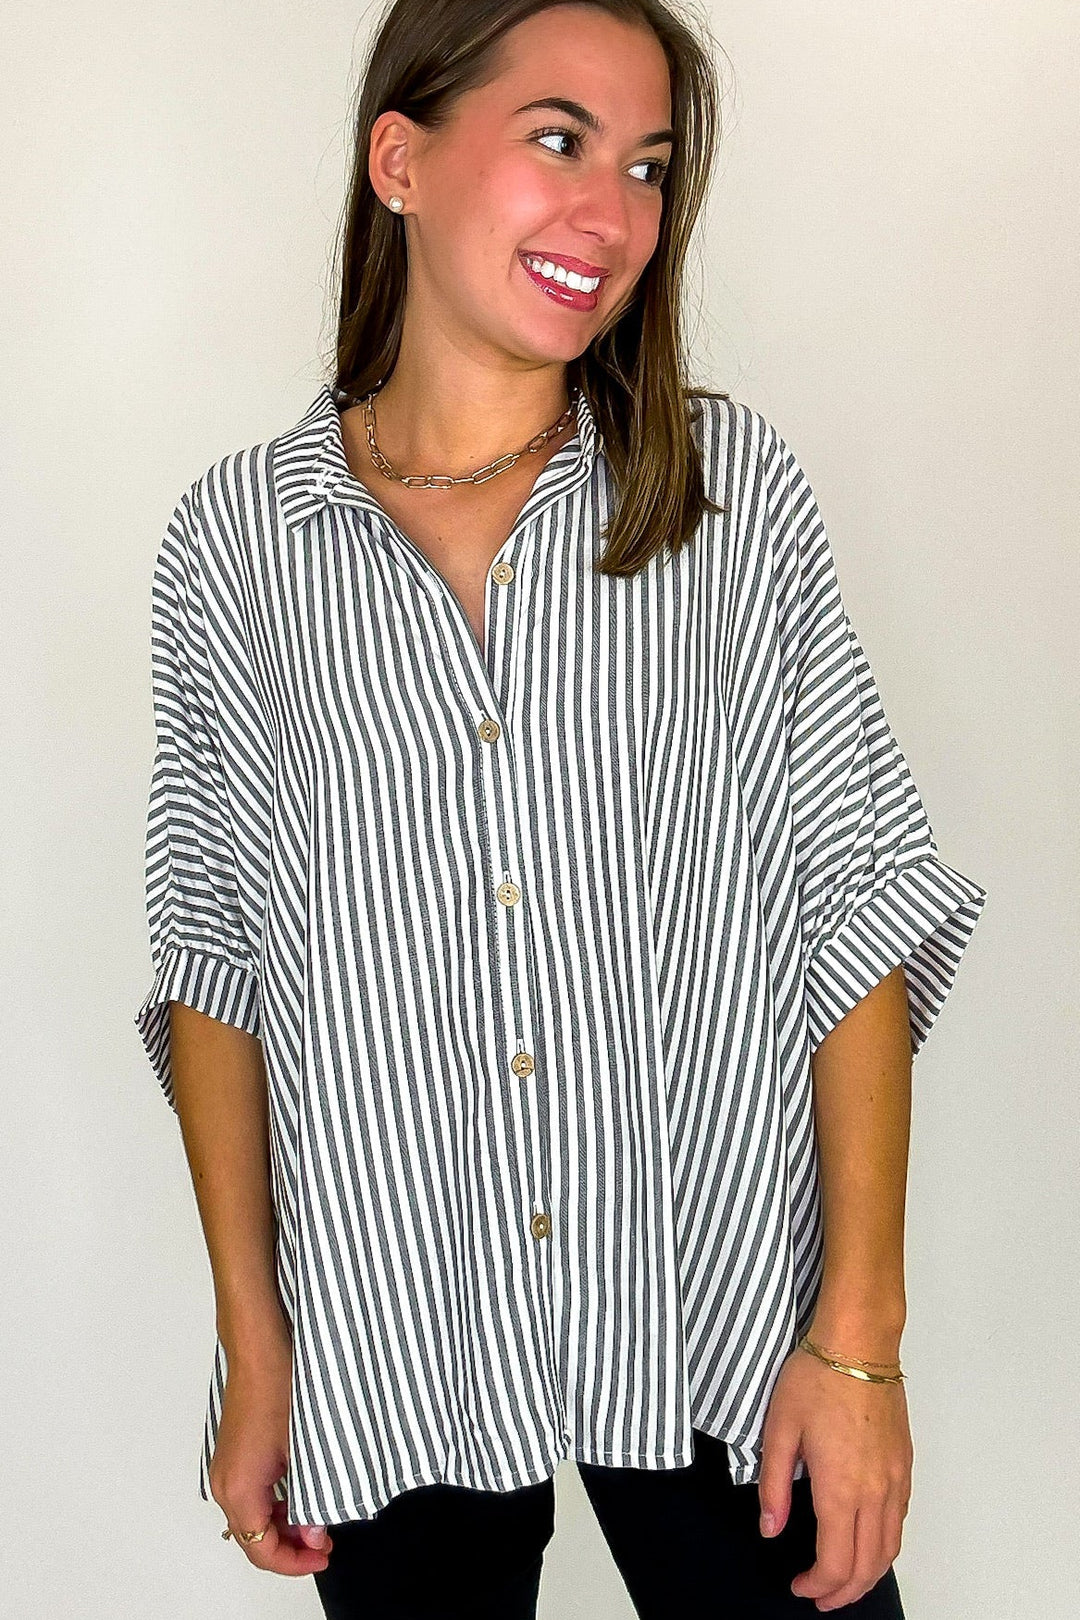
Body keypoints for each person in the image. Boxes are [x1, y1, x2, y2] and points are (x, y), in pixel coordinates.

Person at [133, 2, 987, 1616]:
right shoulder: (234, 547)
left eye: (649, 167)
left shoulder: (724, 496)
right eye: (557, 141)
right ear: (400, 159)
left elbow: (858, 901)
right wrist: (256, 1348)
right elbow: (217, 971)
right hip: (397, 1326)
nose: (612, 215)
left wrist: (861, 1342)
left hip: (717, 1306)